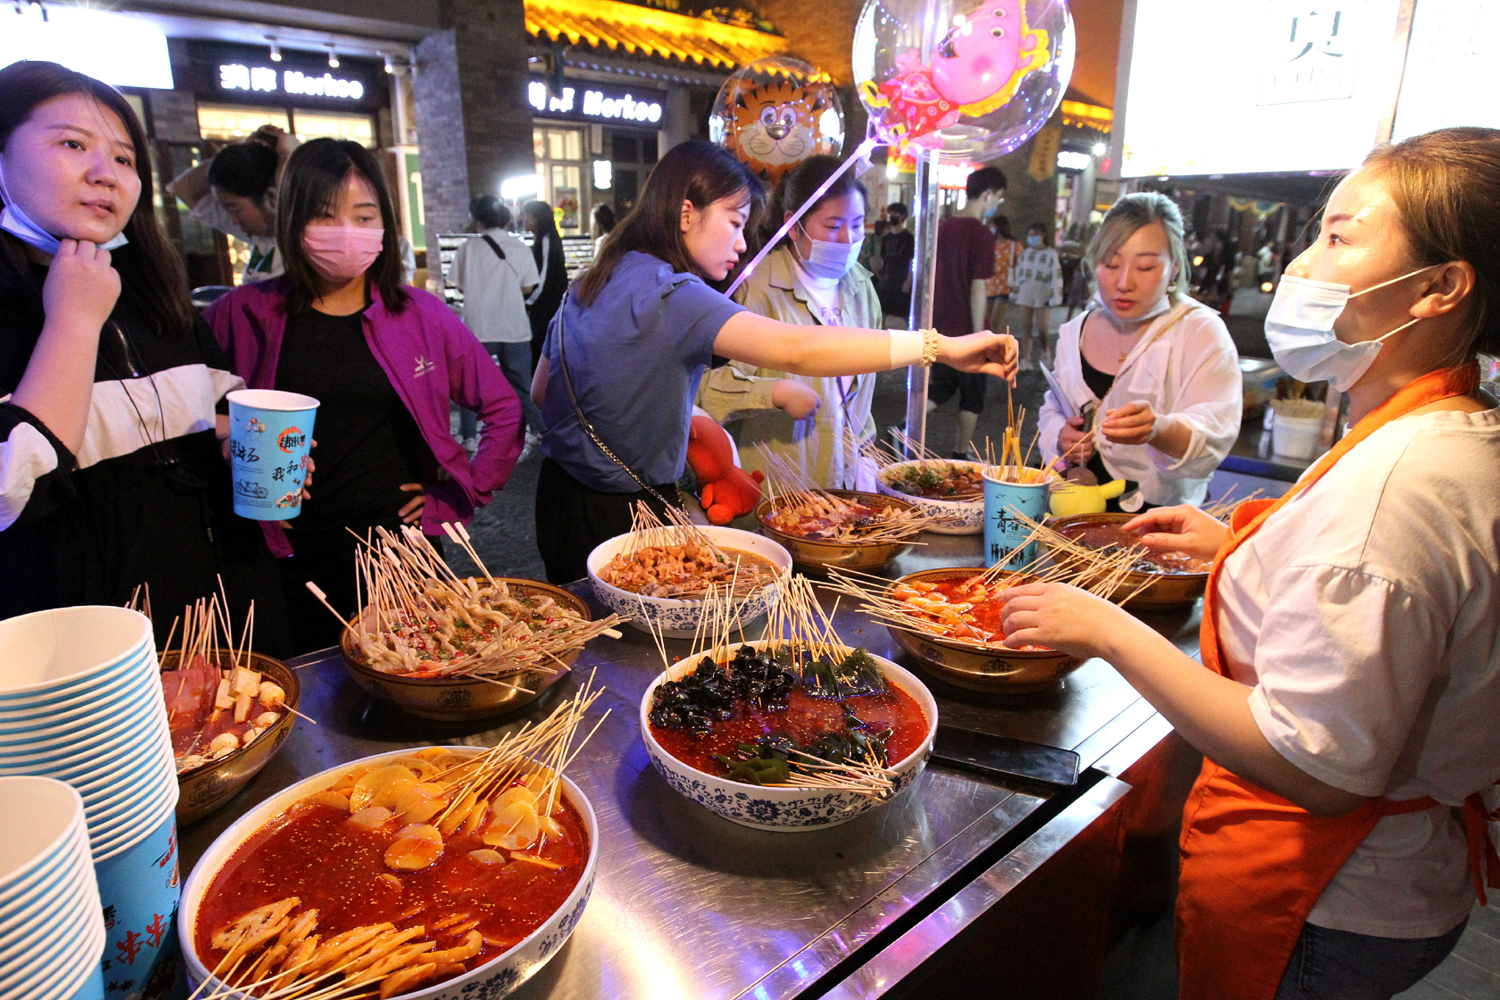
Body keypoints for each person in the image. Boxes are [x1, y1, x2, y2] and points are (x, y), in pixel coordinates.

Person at [1001, 127, 1500, 1000]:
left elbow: (1311, 762)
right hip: (1377, 878)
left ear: (1439, 288)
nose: (1303, 264)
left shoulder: (1398, 488)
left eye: (1339, 238)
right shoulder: (1441, 427)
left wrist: (1108, 630)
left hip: (1325, 894)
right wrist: (1239, 541)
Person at [528, 141, 1016, 583]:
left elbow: (541, 390)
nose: (743, 244)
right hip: (625, 514)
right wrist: (939, 347)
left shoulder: (593, 280)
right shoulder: (673, 295)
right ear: (686, 213)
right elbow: (798, 349)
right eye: (734, 222)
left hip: (558, 500)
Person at [0, 60, 285, 649]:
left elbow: (210, 418)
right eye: (73, 144)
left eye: (125, 158)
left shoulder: (156, 299)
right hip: (85, 660)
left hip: (221, 624)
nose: (105, 174)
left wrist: (245, 451)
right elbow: (9, 494)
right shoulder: (45, 312)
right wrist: (73, 323)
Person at [207, 138, 522, 653]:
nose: (346, 231)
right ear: (292, 218)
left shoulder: (420, 315)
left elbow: (504, 408)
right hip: (286, 553)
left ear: (385, 223)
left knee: (417, 673)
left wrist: (459, 494)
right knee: (305, 686)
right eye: (324, 215)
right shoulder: (239, 314)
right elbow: (186, 421)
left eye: (363, 215)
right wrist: (230, 454)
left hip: (403, 553)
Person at [1038, 193, 1239, 512]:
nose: (1123, 282)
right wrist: (1062, 436)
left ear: (1174, 267)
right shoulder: (1075, 331)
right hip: (1073, 512)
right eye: (1110, 263)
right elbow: (1054, 407)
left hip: (1156, 520)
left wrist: (1159, 430)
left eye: (1145, 267)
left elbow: (1216, 432)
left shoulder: (1199, 331)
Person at [697, 154, 883, 489]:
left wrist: (866, 453)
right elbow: (708, 387)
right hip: (778, 485)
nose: (848, 239)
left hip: (847, 483)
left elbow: (862, 393)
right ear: (794, 225)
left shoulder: (861, 287)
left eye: (857, 225)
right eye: (833, 226)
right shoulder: (754, 288)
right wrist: (773, 392)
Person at [450, 195, 542, 452]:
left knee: (471, 386)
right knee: (522, 384)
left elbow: (459, 285)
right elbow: (529, 286)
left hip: (479, 328)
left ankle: (469, 436)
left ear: (478, 221)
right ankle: (538, 430)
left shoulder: (468, 248)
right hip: (514, 327)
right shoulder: (519, 247)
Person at [929, 166, 1004, 459]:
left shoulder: (943, 228)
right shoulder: (982, 235)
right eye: (998, 197)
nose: (997, 203)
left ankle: (901, 428)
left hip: (940, 324)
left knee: (943, 386)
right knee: (973, 396)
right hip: (966, 328)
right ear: (987, 195)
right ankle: (960, 452)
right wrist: (980, 334)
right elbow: (978, 287)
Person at [168, 124, 297, 284]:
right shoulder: (261, 235)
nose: (233, 220)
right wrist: (241, 152)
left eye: (234, 208)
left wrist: (290, 156)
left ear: (272, 198)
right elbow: (183, 189)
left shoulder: (301, 241)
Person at [1010, 221, 1063, 370]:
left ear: (1043, 235)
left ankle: (1046, 353)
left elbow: (1056, 275)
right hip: (1025, 290)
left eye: (1035, 234)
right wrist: (1015, 292)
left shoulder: (1051, 254)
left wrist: (1055, 296)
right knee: (1025, 327)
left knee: (1042, 328)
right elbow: (1019, 274)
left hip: (1042, 291)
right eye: (1030, 235)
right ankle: (1026, 359)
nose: (1032, 238)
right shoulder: (1025, 254)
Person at [523, 199, 567, 372]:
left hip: (545, 307)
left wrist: (529, 302)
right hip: (547, 306)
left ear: (537, 218)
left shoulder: (546, 240)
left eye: (527, 216)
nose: (524, 219)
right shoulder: (546, 239)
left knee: (540, 350)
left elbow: (544, 278)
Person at [876, 201, 914, 327]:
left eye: (895, 213)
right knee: (882, 313)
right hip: (887, 282)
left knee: (902, 315)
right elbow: (883, 260)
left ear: (903, 216)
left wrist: (908, 281)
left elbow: (912, 261)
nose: (891, 216)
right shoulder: (886, 239)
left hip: (901, 281)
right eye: (890, 213)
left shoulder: (908, 238)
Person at [984, 214, 1022, 336]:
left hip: (1006, 286)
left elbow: (1020, 265)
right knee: (987, 322)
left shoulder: (1014, 245)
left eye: (993, 226)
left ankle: (1002, 346)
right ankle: (992, 345)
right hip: (990, 286)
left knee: (995, 321)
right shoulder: (990, 244)